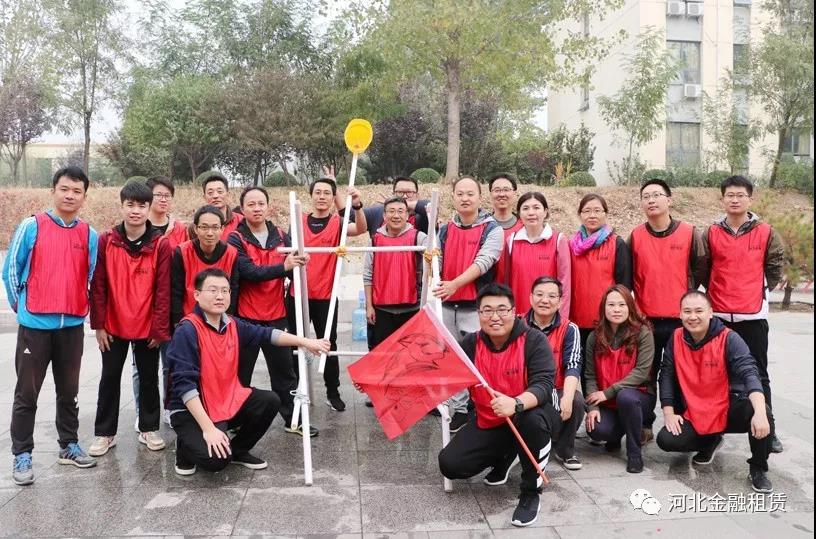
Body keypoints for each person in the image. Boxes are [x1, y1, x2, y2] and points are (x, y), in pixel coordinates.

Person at [165, 269, 330, 475]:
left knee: (269, 401)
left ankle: (237, 451)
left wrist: (306, 342)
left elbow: (268, 334)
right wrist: (208, 430)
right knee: (215, 461)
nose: (219, 296)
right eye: (213, 290)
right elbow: (184, 387)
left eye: (225, 291)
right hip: (191, 409)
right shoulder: (187, 330)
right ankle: (184, 448)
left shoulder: (232, 324)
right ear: (197, 295)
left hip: (224, 400)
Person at [3, 167, 99, 485]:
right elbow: (11, 271)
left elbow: (91, 276)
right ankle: (22, 454)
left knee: (69, 392)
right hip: (35, 327)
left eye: (77, 191)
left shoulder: (89, 235)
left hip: (71, 326)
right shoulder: (32, 226)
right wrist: (23, 308)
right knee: (26, 393)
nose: (70, 195)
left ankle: (68, 445)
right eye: (64, 189)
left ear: (84, 196)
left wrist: (83, 309)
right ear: (53, 191)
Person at [438, 283, 558, 528]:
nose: (495, 317)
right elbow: (438, 373)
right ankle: (508, 452)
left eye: (502, 310)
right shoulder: (471, 344)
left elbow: (544, 386)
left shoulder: (533, 340)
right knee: (450, 464)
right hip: (490, 420)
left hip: (531, 415)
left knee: (531, 421)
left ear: (514, 311)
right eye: (487, 310)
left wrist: (516, 403)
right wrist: (377, 382)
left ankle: (530, 493)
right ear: (479, 314)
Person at [656, 291, 775, 493]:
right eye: (687, 311)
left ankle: (758, 468)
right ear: (680, 314)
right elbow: (666, 374)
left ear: (710, 312)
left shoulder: (729, 338)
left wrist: (760, 413)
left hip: (727, 407)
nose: (693, 316)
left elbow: (750, 373)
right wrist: (668, 413)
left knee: (762, 412)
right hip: (695, 410)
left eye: (699, 311)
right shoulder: (676, 338)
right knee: (666, 439)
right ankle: (711, 440)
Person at [701, 175, 785, 454]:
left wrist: (759, 290)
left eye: (740, 195)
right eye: (730, 195)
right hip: (718, 315)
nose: (735, 200)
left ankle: (768, 430)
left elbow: (774, 267)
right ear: (722, 199)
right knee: (716, 374)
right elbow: (703, 267)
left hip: (753, 316)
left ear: (750, 199)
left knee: (759, 373)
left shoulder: (766, 232)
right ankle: (713, 430)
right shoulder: (711, 232)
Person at [88, 182, 172, 457]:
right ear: (122, 205)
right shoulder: (106, 240)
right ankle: (105, 433)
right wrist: (99, 325)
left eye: (141, 205)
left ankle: (149, 428)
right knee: (109, 378)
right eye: (130, 205)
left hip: (148, 326)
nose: (136, 211)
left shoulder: (161, 244)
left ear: (149, 208)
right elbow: (98, 285)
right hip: (113, 325)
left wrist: (159, 329)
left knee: (148, 377)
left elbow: (164, 289)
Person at [227, 187, 316, 437]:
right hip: (246, 319)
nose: (257, 208)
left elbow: (292, 269)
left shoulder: (280, 235)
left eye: (261, 204)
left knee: (284, 374)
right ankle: (235, 420)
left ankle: (293, 419)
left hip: (276, 315)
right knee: (241, 374)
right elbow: (249, 272)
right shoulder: (236, 238)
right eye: (251, 204)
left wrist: (300, 263)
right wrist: (284, 267)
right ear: (242, 208)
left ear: (268, 206)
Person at [629, 178, 706, 443]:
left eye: (657, 195)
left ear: (669, 200)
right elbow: (628, 276)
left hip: (680, 320)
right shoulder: (636, 236)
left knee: (681, 373)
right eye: (646, 196)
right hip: (646, 320)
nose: (651, 200)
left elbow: (701, 267)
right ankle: (645, 424)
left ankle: (685, 423)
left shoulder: (689, 232)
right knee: (646, 373)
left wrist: (688, 298)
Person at [286, 175, 367, 413]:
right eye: (318, 192)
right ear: (311, 196)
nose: (322, 197)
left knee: (328, 345)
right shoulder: (298, 220)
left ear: (333, 198)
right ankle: (296, 390)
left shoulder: (337, 223)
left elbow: (360, 228)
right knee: (295, 344)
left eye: (327, 193)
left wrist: (357, 205)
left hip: (326, 296)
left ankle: (333, 392)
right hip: (298, 295)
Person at [433, 176, 504, 432]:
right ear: (453, 197)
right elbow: (436, 262)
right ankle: (460, 409)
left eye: (470, 194)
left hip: (476, 307)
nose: (465, 198)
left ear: (479, 197)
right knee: (453, 359)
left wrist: (455, 284)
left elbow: (484, 262)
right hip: (447, 305)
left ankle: (484, 408)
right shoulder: (444, 230)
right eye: (460, 194)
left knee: (481, 359)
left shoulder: (492, 229)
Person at [131, 175, 187, 429]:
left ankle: (170, 408)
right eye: (158, 195)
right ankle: (142, 411)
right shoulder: (137, 227)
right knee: (142, 366)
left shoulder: (181, 229)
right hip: (143, 307)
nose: (163, 200)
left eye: (167, 195)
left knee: (171, 361)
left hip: (172, 305)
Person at [584, 285, 655, 474]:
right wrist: (592, 407)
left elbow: (641, 372)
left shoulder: (643, 333)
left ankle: (634, 452)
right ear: (604, 308)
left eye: (622, 305)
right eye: (611, 305)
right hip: (608, 401)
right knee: (596, 430)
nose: (616, 309)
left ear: (630, 307)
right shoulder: (594, 337)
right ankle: (617, 434)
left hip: (638, 397)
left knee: (626, 397)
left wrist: (608, 392)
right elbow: (590, 375)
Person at [568, 193, 632, 390]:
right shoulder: (571, 245)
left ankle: (609, 404)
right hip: (577, 319)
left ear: (606, 214)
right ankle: (590, 407)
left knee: (606, 368)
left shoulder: (617, 243)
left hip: (607, 320)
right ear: (579, 215)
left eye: (597, 210)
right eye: (587, 211)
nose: (592, 215)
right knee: (584, 369)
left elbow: (624, 285)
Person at [525, 277, 584, 470]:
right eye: (539, 294)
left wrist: (567, 397)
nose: (545, 300)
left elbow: (573, 364)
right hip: (526, 389)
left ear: (559, 302)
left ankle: (565, 449)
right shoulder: (518, 325)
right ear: (531, 298)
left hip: (556, 387)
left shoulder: (570, 329)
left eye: (551, 296)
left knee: (575, 400)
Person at [171, 206, 240, 327]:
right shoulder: (182, 252)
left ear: (222, 229)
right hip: (189, 320)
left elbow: (233, 289)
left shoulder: (231, 253)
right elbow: (176, 290)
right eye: (204, 227)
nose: (210, 233)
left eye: (215, 227)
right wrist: (178, 322)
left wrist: (228, 318)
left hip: (220, 319)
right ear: (196, 229)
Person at [505, 192, 571, 317]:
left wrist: (561, 319)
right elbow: (506, 282)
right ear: (519, 213)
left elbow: (565, 283)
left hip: (549, 316)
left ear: (545, 212)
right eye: (525, 208)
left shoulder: (558, 240)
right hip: (519, 314)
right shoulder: (511, 241)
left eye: (536, 207)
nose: (531, 213)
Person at [363, 176, 430, 237]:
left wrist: (402, 203)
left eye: (409, 192)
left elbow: (431, 207)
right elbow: (357, 215)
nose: (404, 196)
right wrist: (358, 205)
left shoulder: (424, 216)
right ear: (393, 194)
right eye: (400, 192)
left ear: (417, 196)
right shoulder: (377, 212)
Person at [488, 174, 523, 284]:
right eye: (497, 190)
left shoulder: (525, 227)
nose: (501, 194)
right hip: (488, 290)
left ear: (515, 193)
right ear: (490, 194)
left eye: (506, 190)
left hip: (518, 287)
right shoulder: (483, 227)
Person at [197, 172, 244, 239]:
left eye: (220, 192)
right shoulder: (197, 225)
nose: (215, 196)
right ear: (204, 197)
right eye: (210, 193)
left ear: (228, 195)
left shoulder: (241, 221)